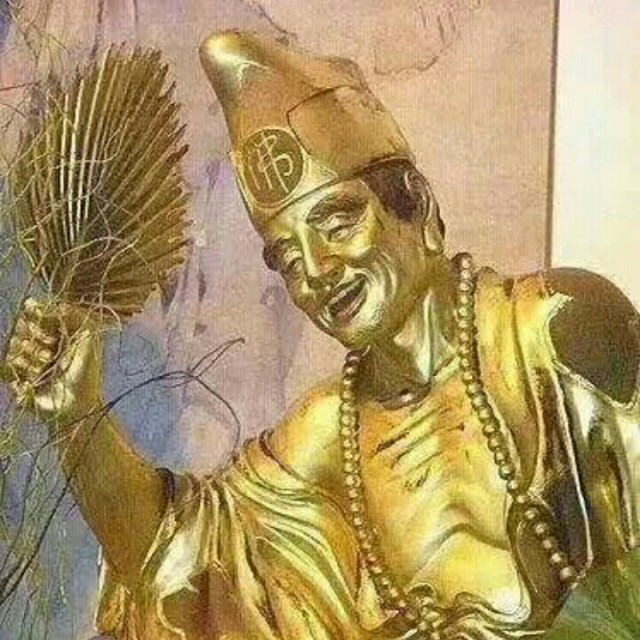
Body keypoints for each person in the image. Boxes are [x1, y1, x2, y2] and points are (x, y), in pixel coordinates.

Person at [5, 31, 640, 640]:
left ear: (415, 204)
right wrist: (78, 412)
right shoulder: (327, 433)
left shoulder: (553, 328)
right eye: (287, 259)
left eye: (337, 224)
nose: (317, 271)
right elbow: (183, 560)